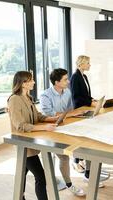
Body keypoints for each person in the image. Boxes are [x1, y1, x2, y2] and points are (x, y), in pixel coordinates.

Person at [7, 71, 58, 200]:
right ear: (23, 83)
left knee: (23, 171)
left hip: (32, 140)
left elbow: (37, 116)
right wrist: (44, 127)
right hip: (24, 143)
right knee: (41, 177)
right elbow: (20, 125)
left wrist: (51, 119)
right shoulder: (14, 100)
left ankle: (19, 196)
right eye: (31, 80)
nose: (34, 82)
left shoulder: (28, 97)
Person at [40, 68, 85, 196]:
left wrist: (74, 114)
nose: (68, 81)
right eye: (65, 79)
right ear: (56, 82)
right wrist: (71, 113)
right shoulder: (45, 95)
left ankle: (82, 168)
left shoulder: (67, 92)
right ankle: (69, 184)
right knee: (64, 157)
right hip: (50, 130)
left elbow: (69, 111)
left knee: (84, 142)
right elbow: (49, 114)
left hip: (64, 127)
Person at [70, 56, 110, 186]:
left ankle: (82, 163)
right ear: (81, 64)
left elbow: (86, 95)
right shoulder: (75, 77)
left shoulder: (84, 77)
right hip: (80, 110)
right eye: (88, 63)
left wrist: (93, 100)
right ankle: (78, 162)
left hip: (86, 107)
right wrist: (91, 103)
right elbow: (76, 97)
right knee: (84, 138)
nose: (90, 65)